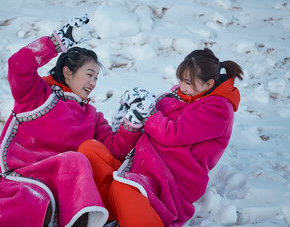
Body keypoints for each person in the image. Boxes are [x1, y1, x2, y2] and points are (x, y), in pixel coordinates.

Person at [0, 15, 159, 227]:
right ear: (67, 72)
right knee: (53, 183)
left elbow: (114, 150)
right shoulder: (38, 94)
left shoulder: (91, 115)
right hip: (19, 178)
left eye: (96, 78)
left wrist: (132, 122)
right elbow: (18, 65)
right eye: (89, 74)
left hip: (61, 186)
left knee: (79, 157)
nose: (93, 83)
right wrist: (55, 43)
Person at [80, 48, 244, 226]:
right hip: (141, 163)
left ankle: (137, 216)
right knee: (91, 150)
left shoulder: (218, 110)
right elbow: (154, 115)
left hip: (168, 181)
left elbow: (173, 133)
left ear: (209, 83)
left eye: (188, 82)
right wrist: (133, 115)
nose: (182, 86)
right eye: (181, 79)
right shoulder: (184, 93)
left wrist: (149, 113)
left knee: (124, 187)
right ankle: (105, 213)